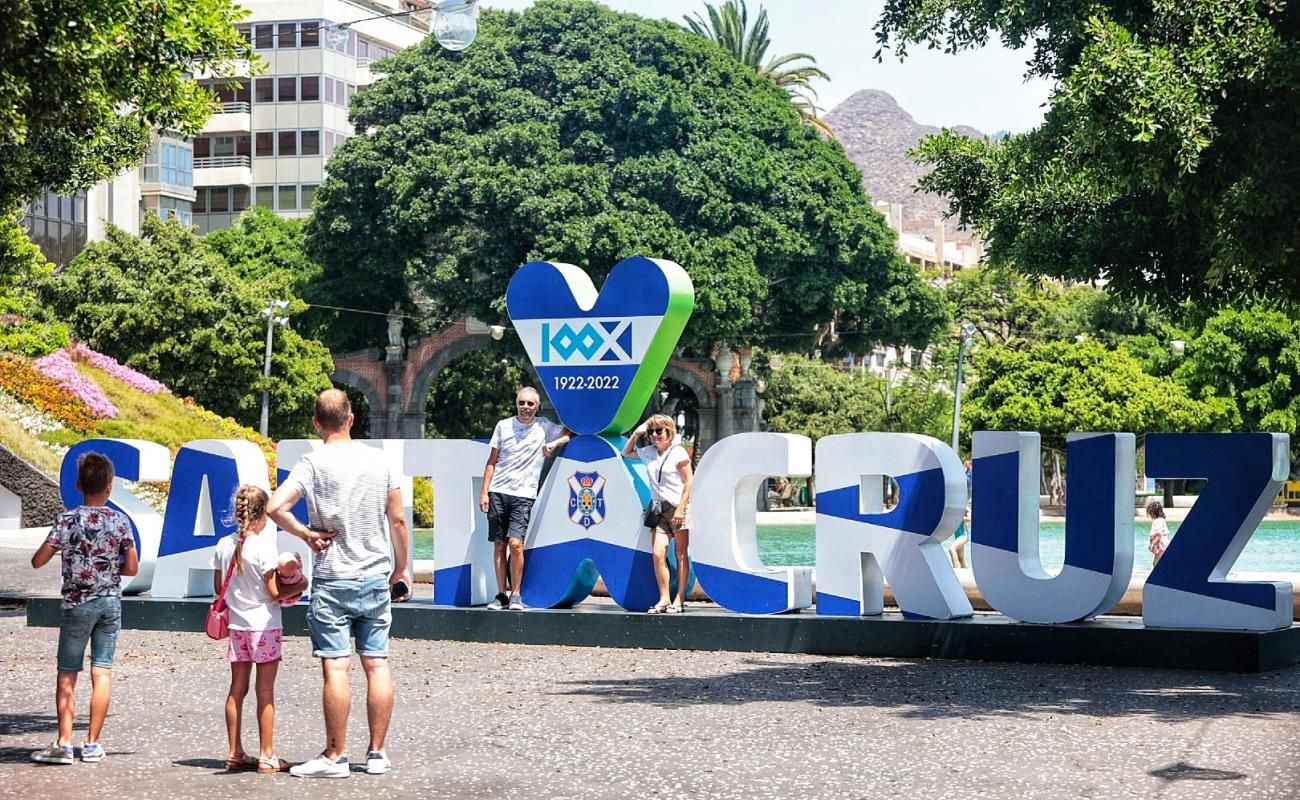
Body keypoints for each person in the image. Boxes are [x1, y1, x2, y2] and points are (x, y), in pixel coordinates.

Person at [267, 389, 411, 779]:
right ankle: (377, 753)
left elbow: (274, 507)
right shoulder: (379, 461)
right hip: (375, 576)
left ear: (316, 423)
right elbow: (397, 520)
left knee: (336, 668)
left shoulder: (312, 463)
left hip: (333, 578)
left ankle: (335, 756)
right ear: (351, 419)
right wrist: (401, 569)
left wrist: (305, 534)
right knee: (377, 664)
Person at [29, 452, 138, 765]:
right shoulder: (120, 521)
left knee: (67, 673)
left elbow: (38, 561)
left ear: (78, 484)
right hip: (109, 603)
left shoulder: (66, 520)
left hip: (76, 603)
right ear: (110, 486)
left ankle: (64, 744)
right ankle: (91, 744)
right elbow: (130, 568)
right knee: (102, 670)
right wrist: (107, 565)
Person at [211, 485, 305, 774]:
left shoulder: (224, 545)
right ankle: (267, 755)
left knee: (236, 689)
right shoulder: (263, 547)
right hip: (264, 626)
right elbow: (275, 592)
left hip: (237, 626)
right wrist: (303, 584)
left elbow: (218, 589)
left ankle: (235, 752)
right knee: (265, 690)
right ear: (264, 514)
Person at [478, 387, 570, 611]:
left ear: (537, 406)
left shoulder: (544, 426)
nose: (526, 407)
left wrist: (553, 444)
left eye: (530, 404)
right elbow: (492, 461)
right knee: (499, 544)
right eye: (522, 403)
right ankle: (501, 594)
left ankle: (516, 594)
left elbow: (570, 433)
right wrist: (484, 491)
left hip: (524, 494)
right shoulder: (503, 425)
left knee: (516, 544)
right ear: (516, 403)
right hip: (499, 490)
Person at [623, 414, 693, 614]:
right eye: (651, 431)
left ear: (669, 432)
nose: (654, 435)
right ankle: (664, 598)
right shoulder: (648, 452)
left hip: (678, 508)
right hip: (658, 509)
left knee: (680, 555)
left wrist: (681, 508)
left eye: (659, 431)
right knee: (657, 553)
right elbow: (626, 452)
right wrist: (637, 432)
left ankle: (679, 599)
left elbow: (689, 481)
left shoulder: (678, 452)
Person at [1147, 499, 1171, 567]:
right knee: (1157, 561)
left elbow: (1158, 534)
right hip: (1163, 543)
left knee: (1156, 562)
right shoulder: (1162, 520)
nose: (1150, 515)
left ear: (1153, 512)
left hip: (1160, 544)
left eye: (1150, 513)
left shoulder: (1157, 521)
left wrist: (1152, 544)